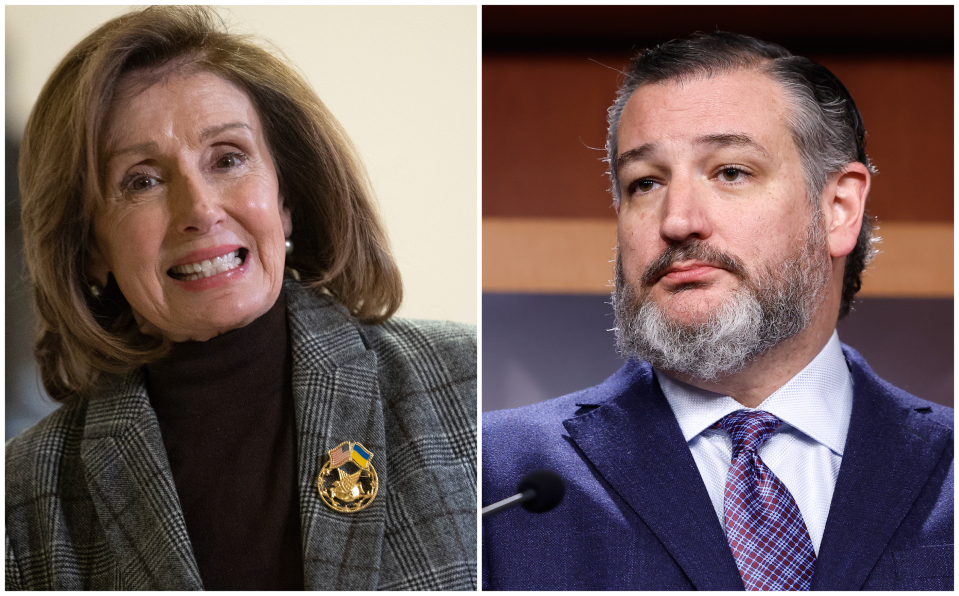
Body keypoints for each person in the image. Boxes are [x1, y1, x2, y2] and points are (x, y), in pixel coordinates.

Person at [6, 5, 477, 592]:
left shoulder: (464, 382)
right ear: (88, 245)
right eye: (142, 180)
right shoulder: (27, 496)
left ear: (285, 199)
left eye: (228, 159)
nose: (199, 210)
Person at [481, 31, 953, 592]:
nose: (677, 221)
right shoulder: (496, 482)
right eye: (645, 183)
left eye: (730, 172)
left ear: (839, 208)